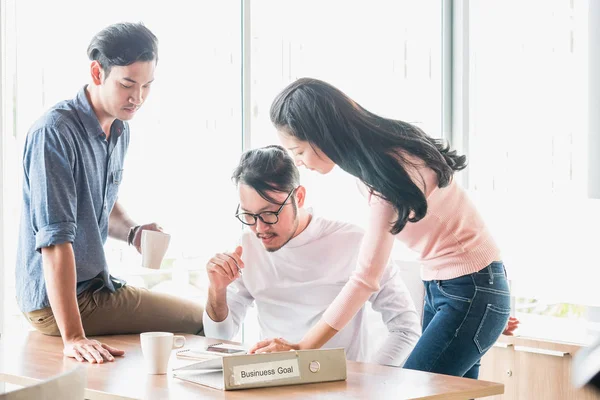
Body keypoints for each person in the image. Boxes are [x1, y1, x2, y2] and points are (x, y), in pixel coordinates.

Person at [252, 77, 519, 379]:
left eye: (298, 151)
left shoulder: (388, 174)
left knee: (412, 389)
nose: (298, 163)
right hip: (456, 290)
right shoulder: (381, 158)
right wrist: (491, 296)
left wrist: (303, 346)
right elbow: (458, 223)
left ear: (321, 136)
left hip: (468, 290)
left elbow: (366, 278)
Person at [16, 22, 204, 365]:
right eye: (127, 84)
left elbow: (99, 202)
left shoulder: (119, 129)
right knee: (200, 319)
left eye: (147, 86)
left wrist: (133, 232)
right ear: (96, 71)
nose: (138, 97)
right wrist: (74, 338)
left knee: (195, 318)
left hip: (95, 286)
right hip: (60, 302)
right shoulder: (54, 133)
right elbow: (54, 241)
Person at [203, 145, 421, 365]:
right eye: (249, 215)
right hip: (270, 382)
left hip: (341, 388)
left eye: (269, 213)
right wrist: (216, 291)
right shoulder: (247, 245)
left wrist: (369, 381)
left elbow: (406, 328)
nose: (259, 228)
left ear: (299, 197)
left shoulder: (354, 242)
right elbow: (219, 338)